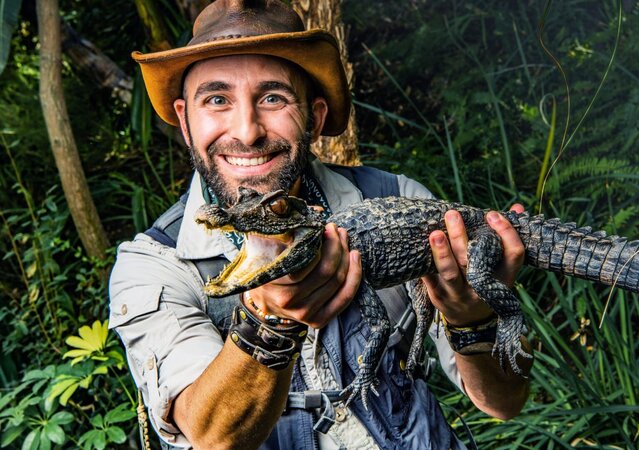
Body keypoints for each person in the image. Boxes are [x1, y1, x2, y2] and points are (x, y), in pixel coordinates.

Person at [109, 0, 532, 448]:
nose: (247, 131)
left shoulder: (399, 200)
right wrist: (270, 322)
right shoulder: (154, 264)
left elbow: (504, 402)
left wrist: (472, 318)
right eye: (217, 100)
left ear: (315, 116)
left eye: (273, 97)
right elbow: (212, 437)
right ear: (185, 121)